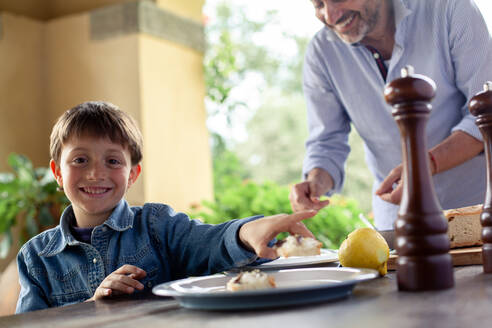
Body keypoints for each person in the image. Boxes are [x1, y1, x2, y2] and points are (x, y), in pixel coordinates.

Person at [16, 101, 318, 313]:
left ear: (133, 174)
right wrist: (91, 307)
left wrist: (248, 232)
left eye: (113, 161)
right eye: (80, 160)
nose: (96, 173)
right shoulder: (35, 257)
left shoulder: (156, 225)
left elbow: (210, 241)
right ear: (57, 172)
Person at [290, 0, 492, 229]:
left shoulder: (451, 9)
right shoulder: (321, 53)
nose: (330, 15)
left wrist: (424, 165)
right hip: (396, 221)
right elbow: (327, 141)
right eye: (318, 4)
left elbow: (484, 117)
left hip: (477, 210)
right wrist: (314, 182)